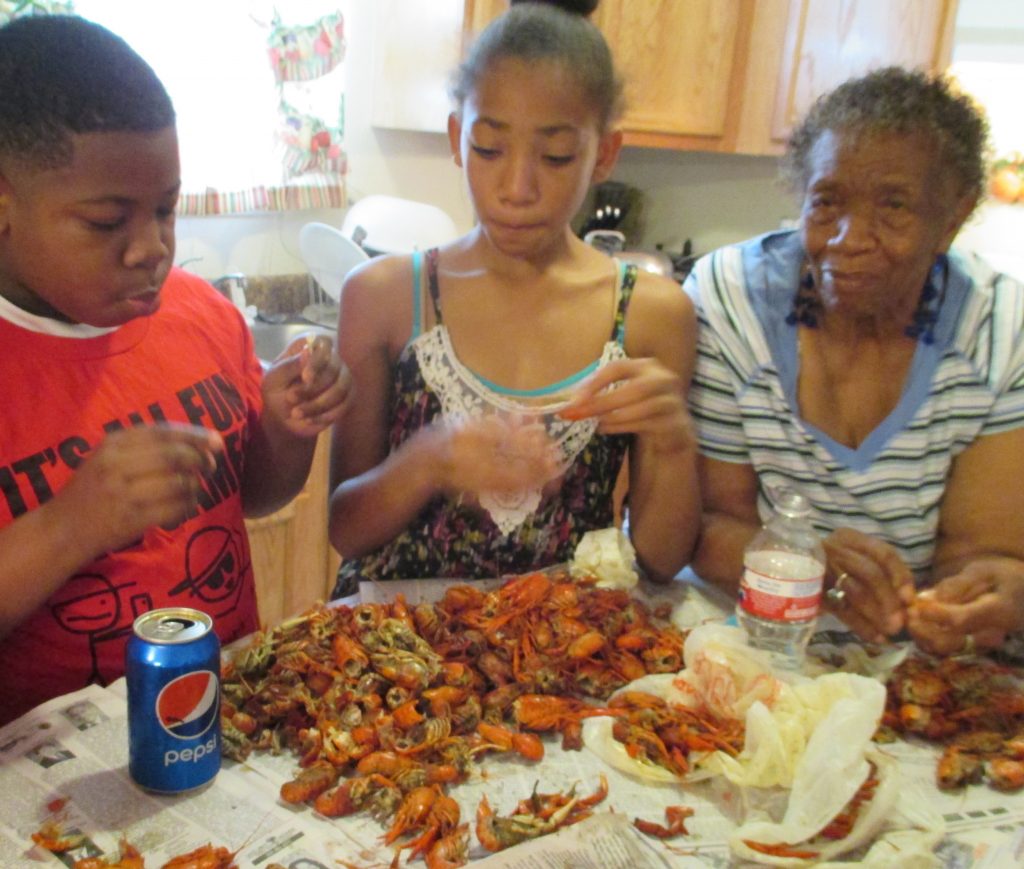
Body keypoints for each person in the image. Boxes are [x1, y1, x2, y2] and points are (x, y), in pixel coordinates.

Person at [0, 15, 351, 725]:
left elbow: (251, 495)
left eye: (166, 209)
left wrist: (286, 430)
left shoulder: (201, 314)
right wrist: (71, 523)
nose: (151, 248)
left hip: (222, 717)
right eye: (107, 222)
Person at [328, 0, 698, 595]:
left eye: (555, 157)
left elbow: (660, 559)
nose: (517, 188)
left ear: (604, 153)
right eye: (489, 149)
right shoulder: (387, 297)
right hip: (390, 655)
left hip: (561, 655)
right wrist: (430, 459)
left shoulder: (653, 316)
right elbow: (345, 531)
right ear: (457, 137)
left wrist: (675, 441)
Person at [685, 66, 1024, 657]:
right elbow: (708, 527)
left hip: (914, 661)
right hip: (754, 644)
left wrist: (989, 594)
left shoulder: (999, 330)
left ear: (952, 217)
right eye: (827, 202)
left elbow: (982, 552)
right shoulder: (730, 298)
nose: (848, 237)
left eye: (894, 207)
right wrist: (799, 564)